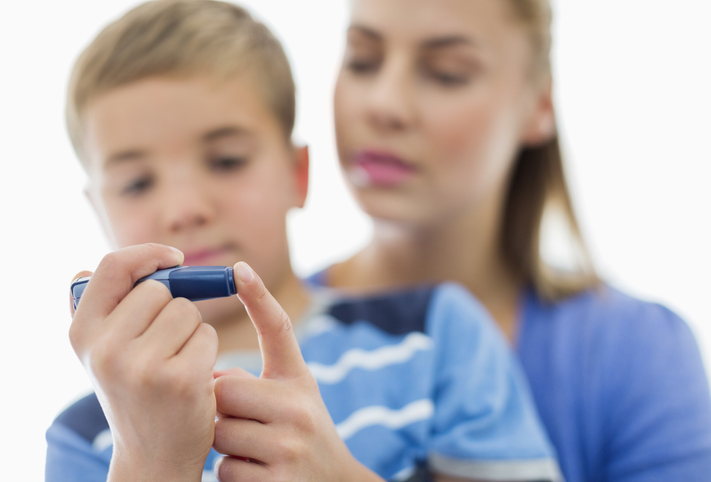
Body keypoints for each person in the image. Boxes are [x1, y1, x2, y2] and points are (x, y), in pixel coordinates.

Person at [45, 1, 563, 481]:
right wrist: (148, 458)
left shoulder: (434, 335)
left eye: (227, 161)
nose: (184, 210)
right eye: (137, 183)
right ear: (98, 210)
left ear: (299, 175)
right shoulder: (82, 437)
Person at [313, 0, 711, 481]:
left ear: (539, 104)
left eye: (446, 73)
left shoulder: (635, 353)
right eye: (362, 60)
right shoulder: (253, 330)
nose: (384, 104)